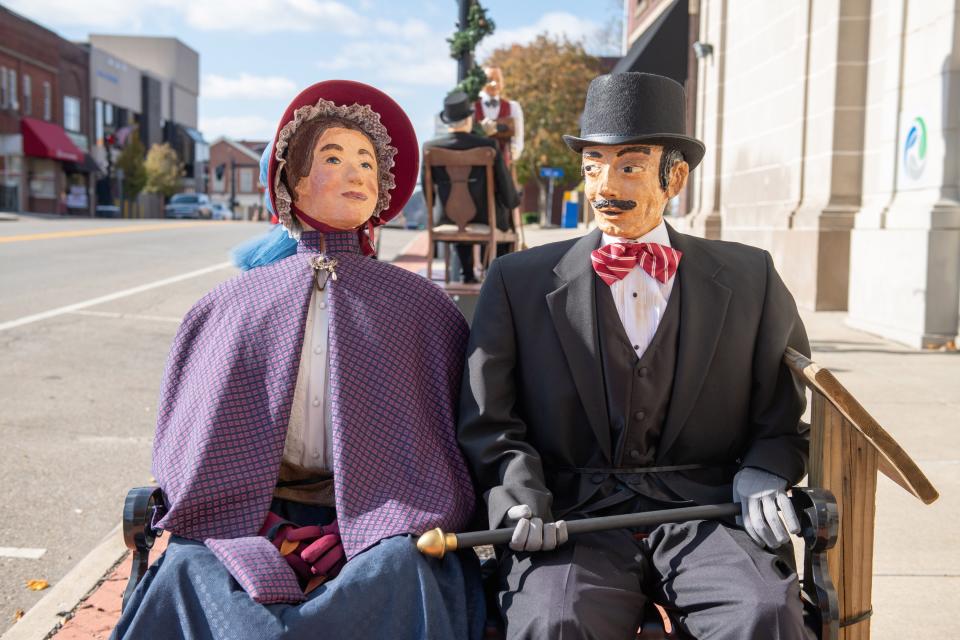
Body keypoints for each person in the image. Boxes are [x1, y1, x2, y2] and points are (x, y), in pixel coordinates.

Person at [113, 80, 485, 640]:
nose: (357, 172)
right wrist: (262, 525)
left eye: (367, 161)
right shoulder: (226, 308)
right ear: (290, 177)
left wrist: (363, 526)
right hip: (245, 516)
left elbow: (442, 450)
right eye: (334, 157)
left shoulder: (422, 310)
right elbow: (187, 448)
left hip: (382, 519)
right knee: (192, 571)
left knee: (401, 573)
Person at [458, 72, 812, 639]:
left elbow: (781, 410)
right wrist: (520, 497)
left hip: (708, 511)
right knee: (554, 620)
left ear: (675, 176)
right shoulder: (515, 281)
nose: (603, 186)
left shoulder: (751, 277)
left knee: (762, 612)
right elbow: (489, 419)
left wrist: (765, 470)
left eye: (628, 165)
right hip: (568, 516)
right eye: (593, 165)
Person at [423, 91, 519, 283]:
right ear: (470, 118)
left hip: (446, 219)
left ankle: (466, 273)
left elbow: (428, 193)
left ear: (447, 121)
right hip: (486, 220)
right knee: (504, 219)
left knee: (457, 210)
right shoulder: (488, 146)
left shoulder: (429, 147)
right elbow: (505, 188)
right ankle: (494, 277)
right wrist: (512, 201)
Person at [474, 66, 524, 166]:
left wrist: (512, 155)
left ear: (502, 83)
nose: (494, 84)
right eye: (490, 80)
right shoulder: (473, 106)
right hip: (477, 161)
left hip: (503, 162)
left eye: (498, 80)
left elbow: (518, 137)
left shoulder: (513, 107)